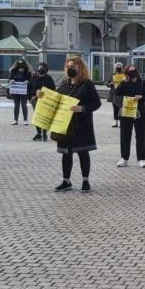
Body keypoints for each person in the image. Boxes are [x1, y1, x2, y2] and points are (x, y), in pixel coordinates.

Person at [53, 56, 102, 192]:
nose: (70, 69)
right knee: (66, 153)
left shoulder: (87, 84)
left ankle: (85, 181)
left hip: (81, 125)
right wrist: (41, 96)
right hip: (65, 125)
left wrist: (82, 108)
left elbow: (97, 103)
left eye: (73, 67)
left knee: (82, 152)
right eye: (68, 67)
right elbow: (55, 99)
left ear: (80, 68)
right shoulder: (63, 84)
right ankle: (66, 181)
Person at [115, 64, 145, 168]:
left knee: (140, 136)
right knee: (125, 135)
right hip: (127, 111)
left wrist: (141, 97)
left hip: (140, 113)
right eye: (129, 72)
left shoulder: (143, 83)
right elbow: (117, 92)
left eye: (133, 71)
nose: (132, 73)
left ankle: (141, 158)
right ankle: (124, 158)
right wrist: (123, 81)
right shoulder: (125, 83)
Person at [29, 62, 56, 141]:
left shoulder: (49, 78)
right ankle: (39, 133)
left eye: (43, 72)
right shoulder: (33, 77)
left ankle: (44, 133)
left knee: (44, 117)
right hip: (35, 100)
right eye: (40, 71)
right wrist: (30, 98)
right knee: (37, 117)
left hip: (45, 101)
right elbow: (29, 88)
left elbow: (53, 89)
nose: (41, 74)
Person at [7, 58, 32, 125]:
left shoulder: (28, 72)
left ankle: (25, 120)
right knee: (16, 105)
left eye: (22, 64)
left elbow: (31, 80)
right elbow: (9, 79)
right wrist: (11, 81)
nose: (21, 66)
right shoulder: (13, 71)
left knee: (24, 105)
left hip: (24, 91)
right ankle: (15, 120)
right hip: (15, 91)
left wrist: (28, 81)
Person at [106, 62, 126, 128]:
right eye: (117, 67)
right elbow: (107, 83)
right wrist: (110, 84)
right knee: (115, 108)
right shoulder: (113, 75)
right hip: (114, 94)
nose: (118, 68)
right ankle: (115, 121)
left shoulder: (124, 75)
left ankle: (121, 121)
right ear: (115, 68)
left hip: (121, 94)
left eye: (120, 67)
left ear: (122, 68)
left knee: (121, 108)